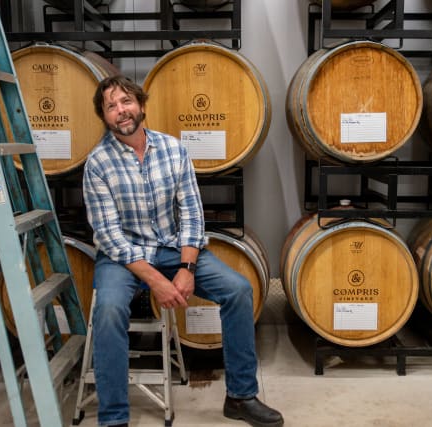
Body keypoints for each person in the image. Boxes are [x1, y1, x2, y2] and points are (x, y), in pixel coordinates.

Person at [82, 75, 284, 427]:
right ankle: (114, 418)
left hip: (174, 248)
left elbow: (192, 213)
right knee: (110, 310)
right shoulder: (97, 164)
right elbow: (110, 236)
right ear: (104, 117)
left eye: (126, 101)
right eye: (111, 106)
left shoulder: (173, 149)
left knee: (238, 290)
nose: (121, 111)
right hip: (124, 257)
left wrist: (186, 269)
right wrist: (157, 281)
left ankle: (240, 395)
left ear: (141, 105)